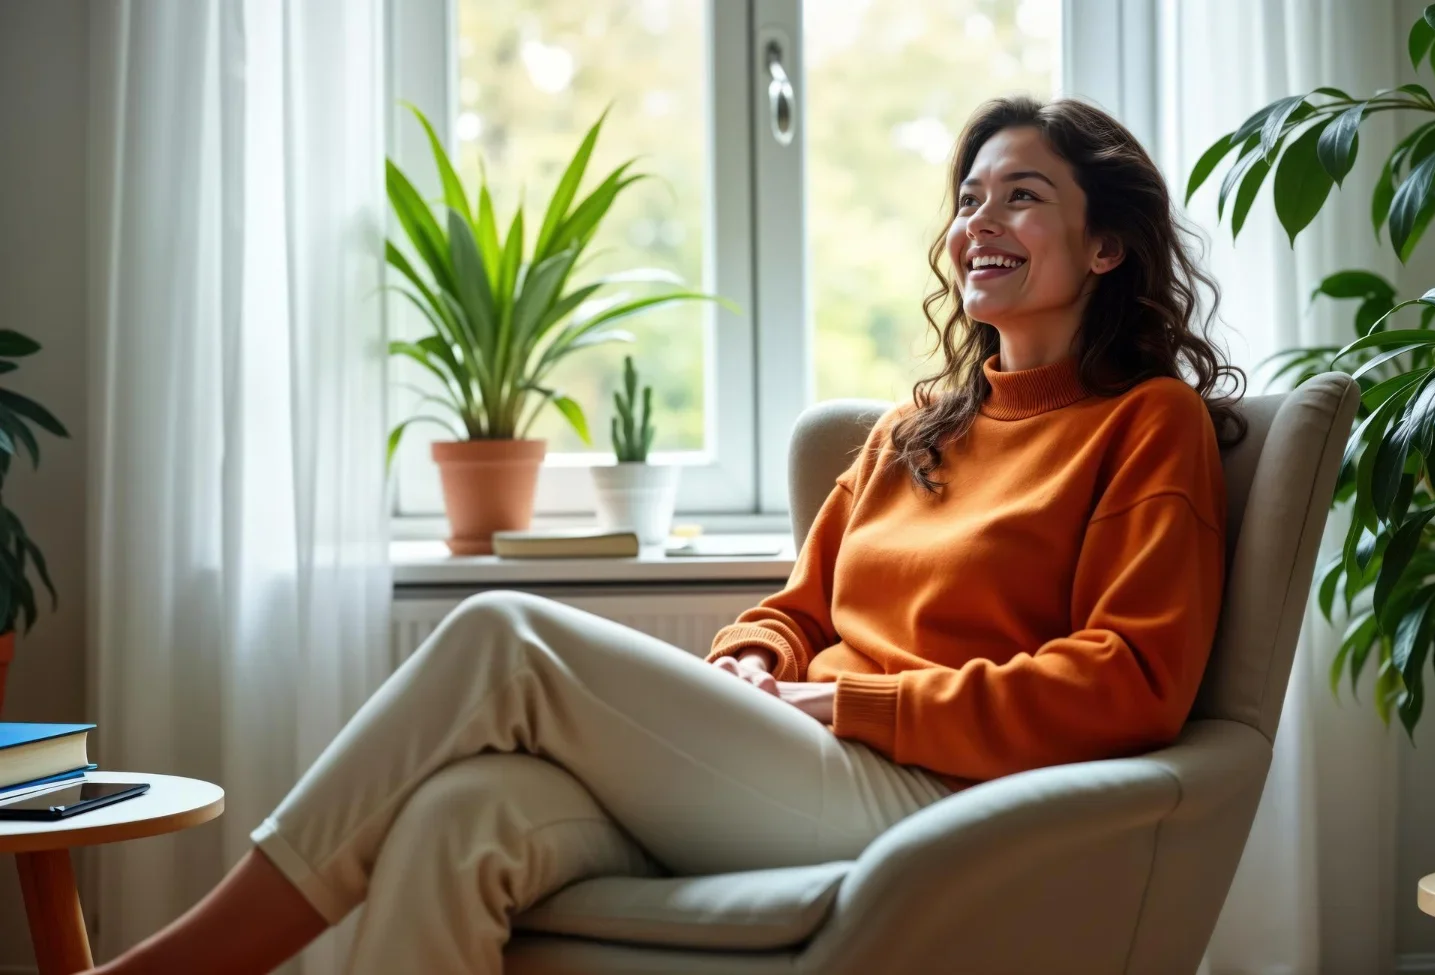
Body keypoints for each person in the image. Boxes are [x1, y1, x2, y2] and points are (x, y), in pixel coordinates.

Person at [90, 95, 1244, 975]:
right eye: (969, 198)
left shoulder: (1148, 424)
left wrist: (855, 706)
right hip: (807, 763)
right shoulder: (915, 428)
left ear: (1106, 248)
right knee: (461, 815)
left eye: (1023, 196)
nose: (977, 224)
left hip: (937, 799)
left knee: (505, 635)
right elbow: (800, 608)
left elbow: (1133, 681)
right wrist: (755, 658)